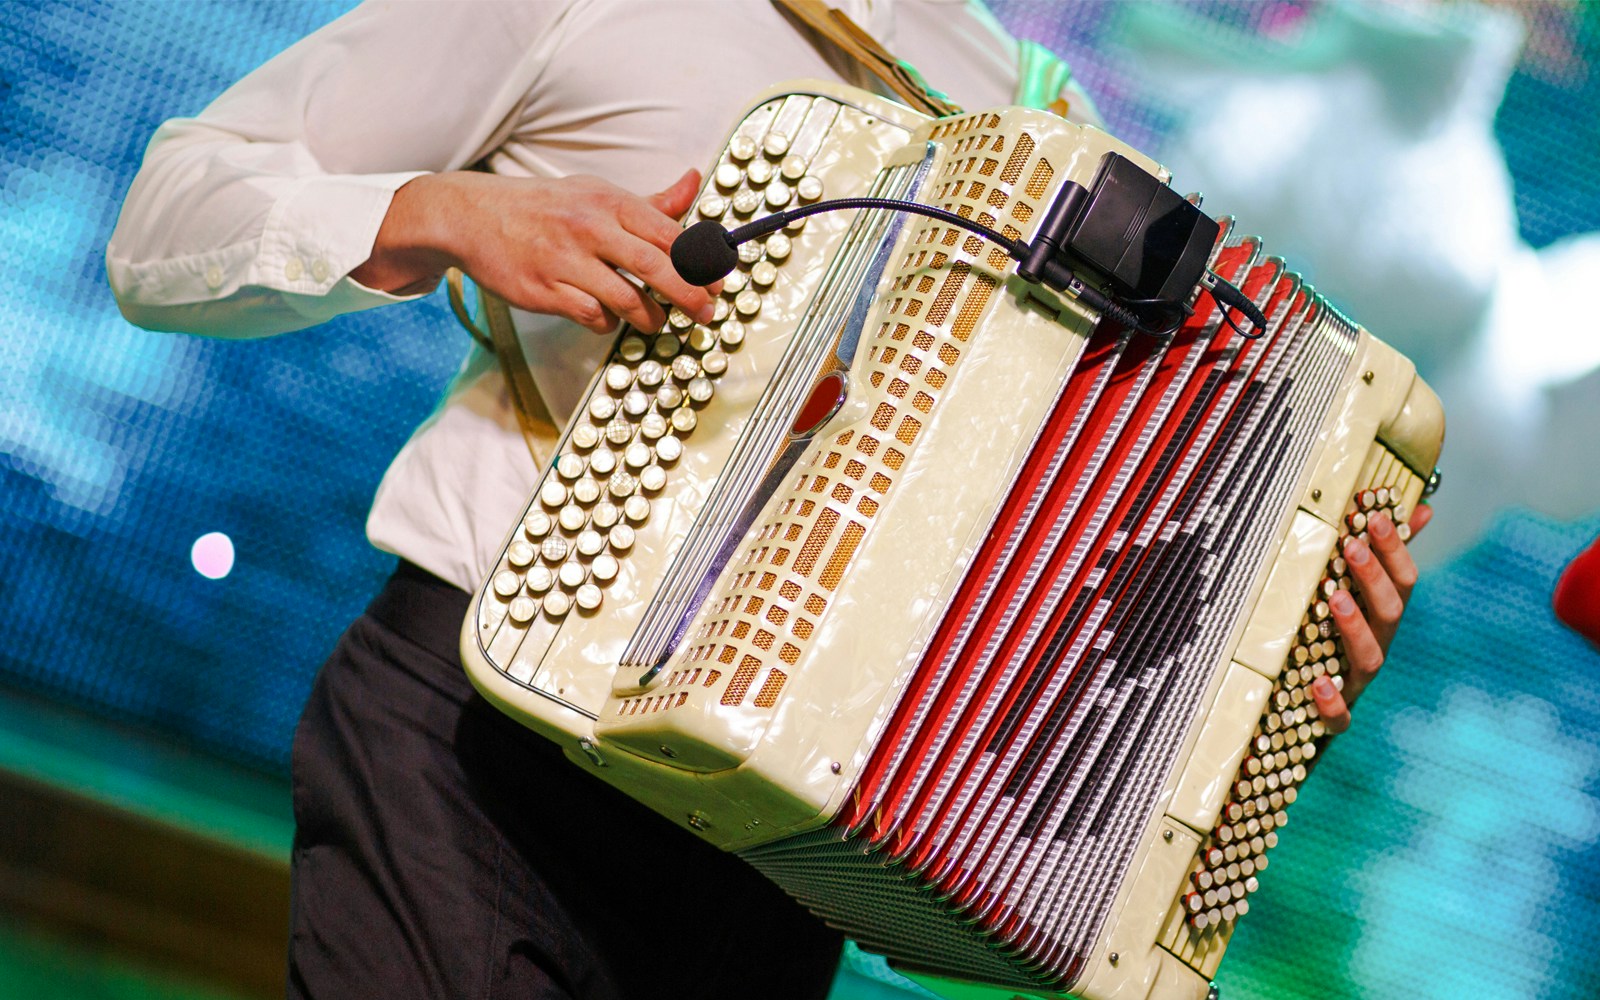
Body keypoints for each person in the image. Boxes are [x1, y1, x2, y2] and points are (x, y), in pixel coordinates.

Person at [105, 2, 1429, 997]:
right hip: (479, 753)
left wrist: (1259, 644)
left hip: (774, 857)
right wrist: (445, 212)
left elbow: (1043, 580)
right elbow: (165, 221)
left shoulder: (1043, 115)